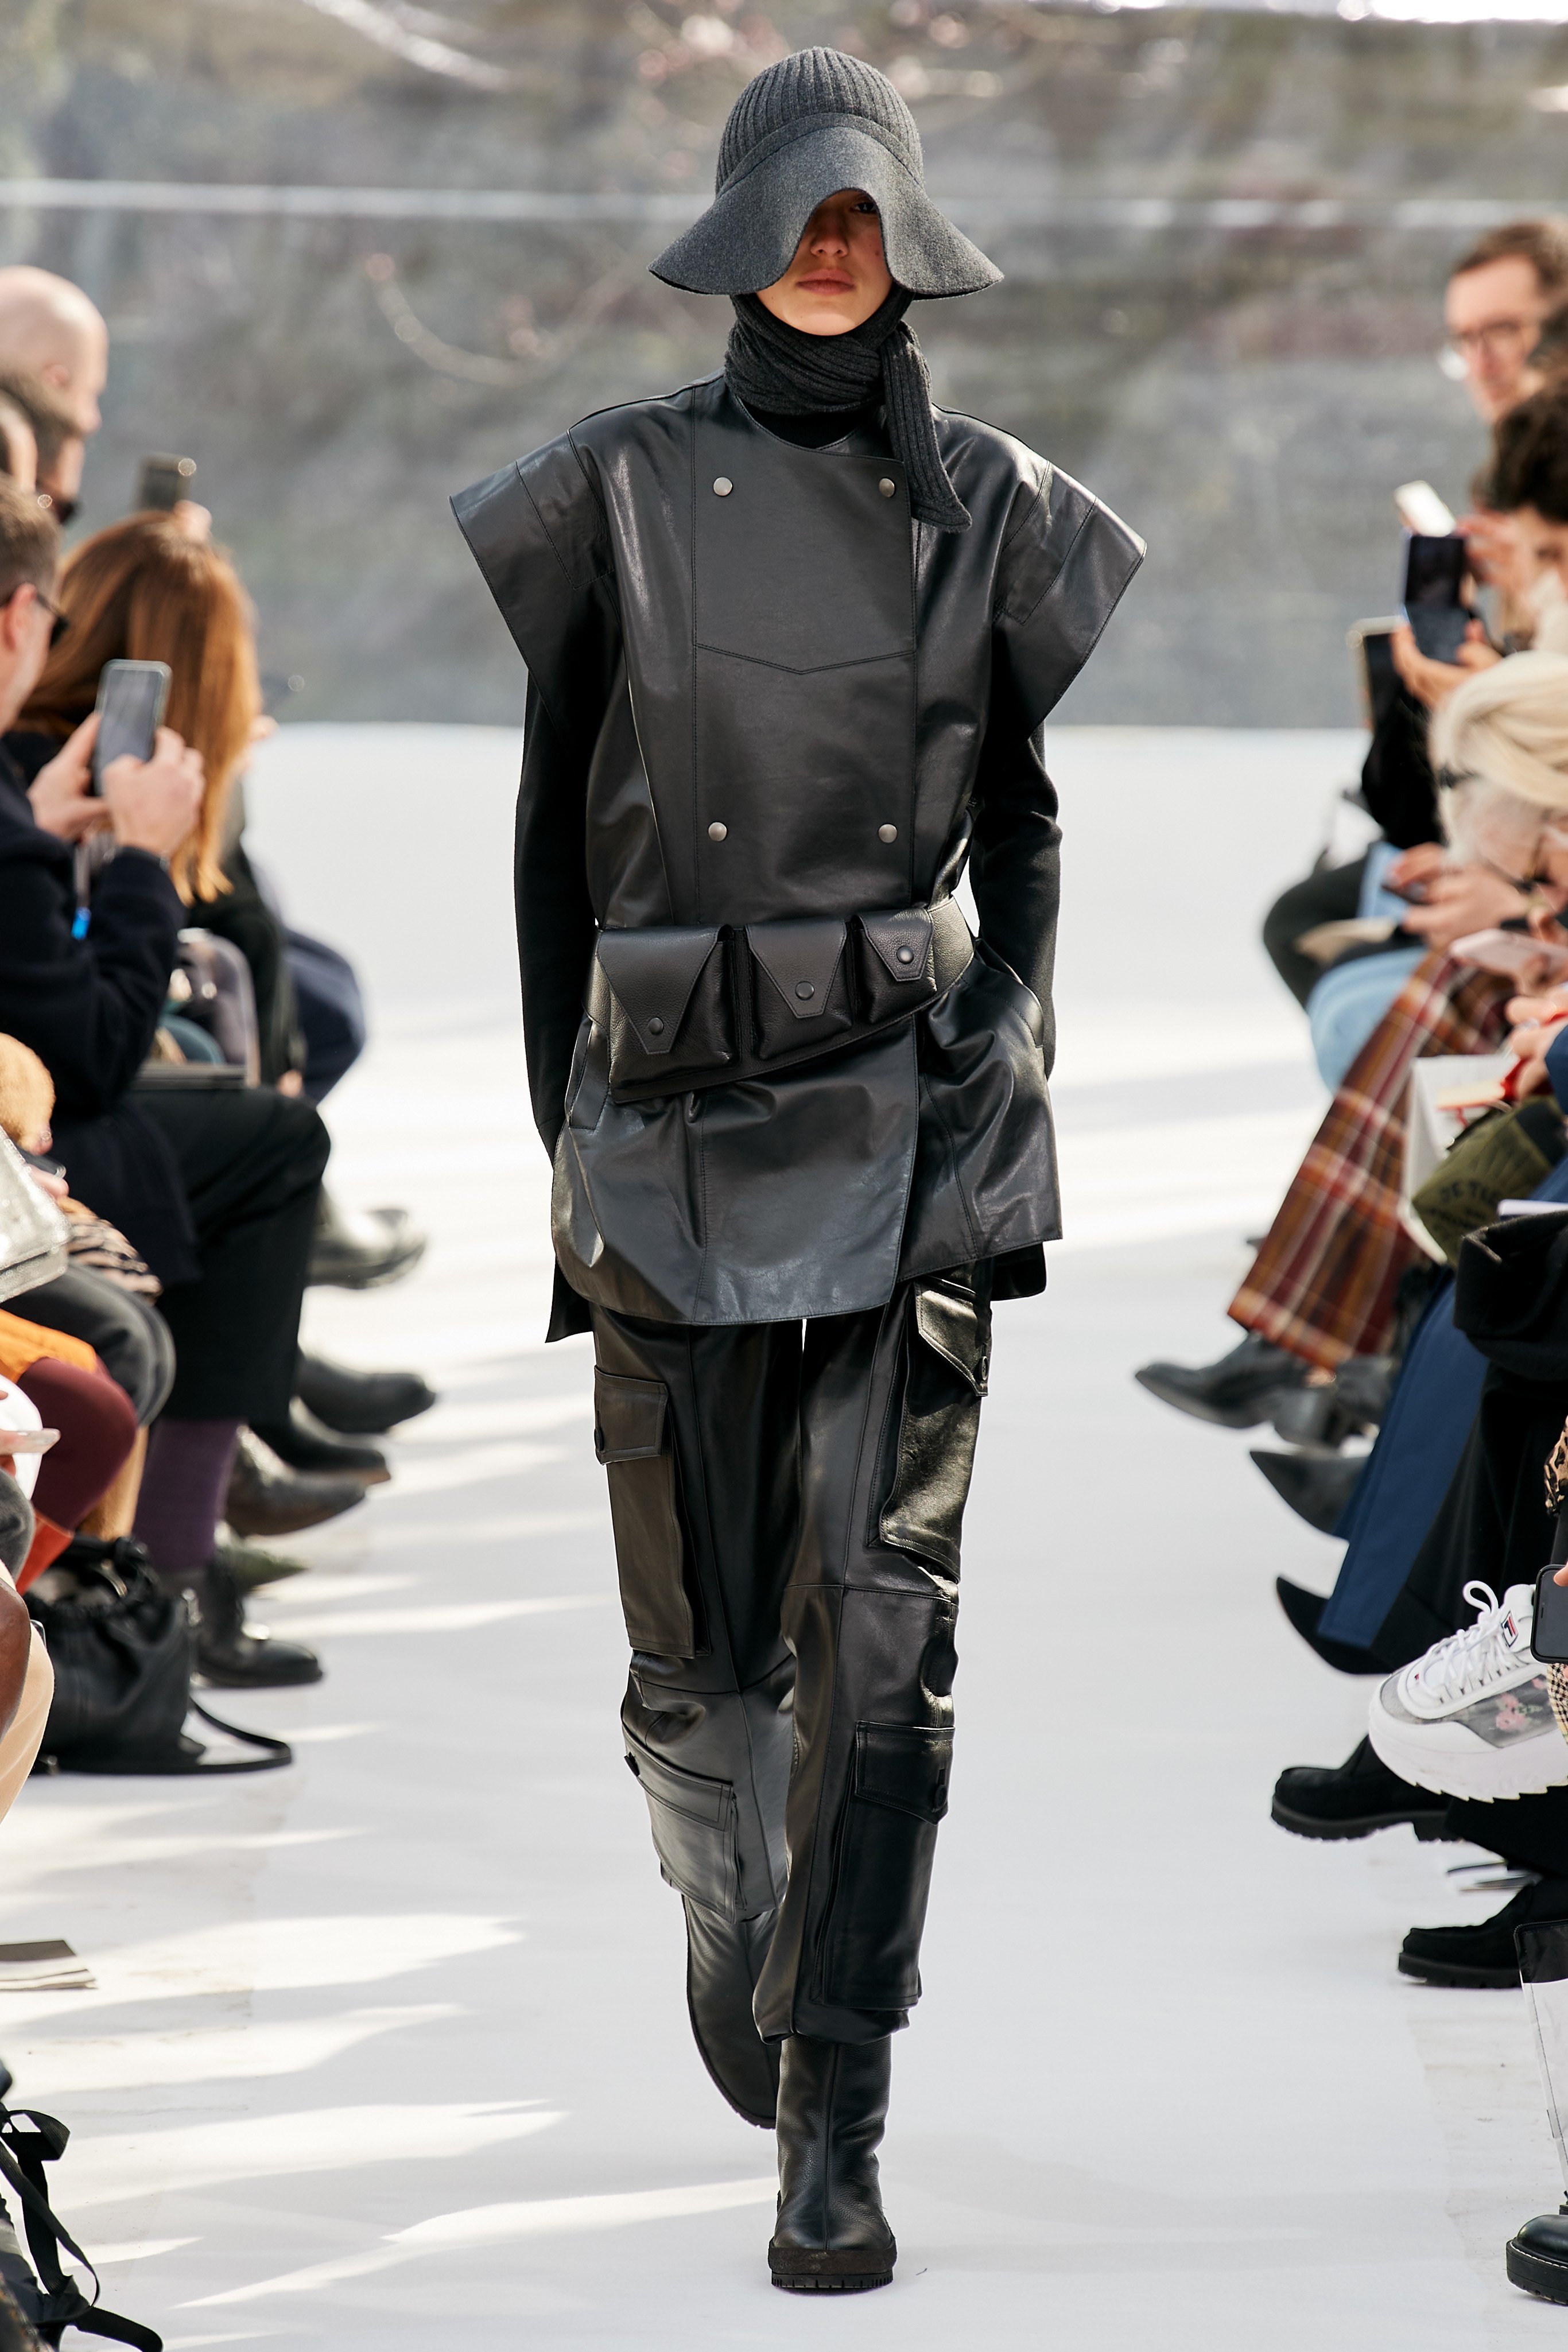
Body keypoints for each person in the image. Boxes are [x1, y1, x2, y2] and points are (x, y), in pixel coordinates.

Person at [454, 46, 1142, 2295]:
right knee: (701, 1665)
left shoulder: (995, 508)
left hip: (909, 1106)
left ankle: (834, 2106)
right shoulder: (615, 489)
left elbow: (1018, 811)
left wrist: (1017, 1009)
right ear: (743, 236)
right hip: (666, 1114)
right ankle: (723, 1889)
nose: (830, 251)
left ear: (904, 241)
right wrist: (562, 1124)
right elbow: (553, 836)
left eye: (863, 214)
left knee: (882, 1638)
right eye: (798, 213)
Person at [0, 478, 326, 1687]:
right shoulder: (30, 773)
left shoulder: (29, 769)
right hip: (41, 1122)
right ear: (22, 616)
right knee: (272, 1148)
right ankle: (181, 1559)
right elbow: (91, 1049)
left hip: (39, 1106)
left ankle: (197, 1525)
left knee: (261, 1123)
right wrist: (138, 856)